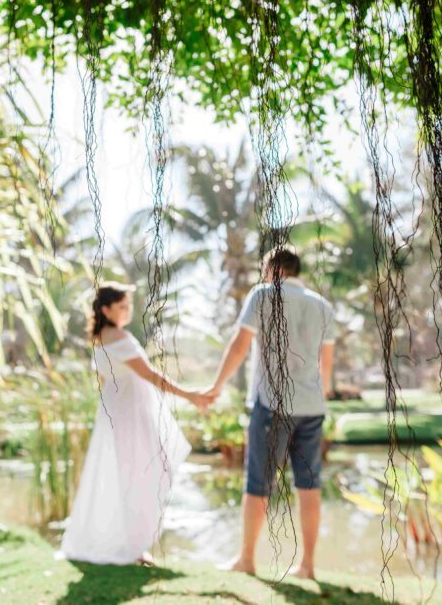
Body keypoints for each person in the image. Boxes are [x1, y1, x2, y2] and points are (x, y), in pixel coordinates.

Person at [59, 281, 214, 565]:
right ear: (105, 309)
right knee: (143, 474)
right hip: (130, 415)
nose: (128, 311)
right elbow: (151, 375)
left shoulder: (100, 340)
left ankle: (131, 544)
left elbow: (106, 382)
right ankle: (133, 546)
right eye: (122, 306)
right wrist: (190, 395)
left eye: (129, 305)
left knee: (130, 476)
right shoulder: (120, 338)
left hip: (116, 414)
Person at [205, 247, 336, 579]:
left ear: (270, 270)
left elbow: (239, 345)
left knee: (258, 484)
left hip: (272, 407)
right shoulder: (322, 305)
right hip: (311, 408)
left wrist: (216, 385)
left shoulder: (263, 294)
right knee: (309, 486)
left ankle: (247, 560)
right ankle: (307, 566)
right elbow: (327, 363)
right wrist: (321, 396)